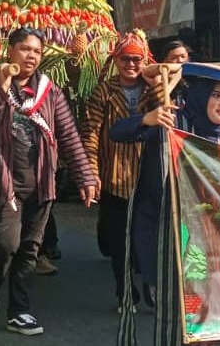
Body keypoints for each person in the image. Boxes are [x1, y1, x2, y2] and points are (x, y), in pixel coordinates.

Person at [0, 27, 97, 336]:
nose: (31, 56)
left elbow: (69, 135)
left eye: (37, 51)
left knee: (28, 249)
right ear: (9, 51)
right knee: (4, 245)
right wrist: (1, 88)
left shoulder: (50, 92)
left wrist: (85, 176)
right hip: (2, 183)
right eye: (25, 49)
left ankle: (19, 312)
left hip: (41, 183)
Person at [109, 68, 220, 344]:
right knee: (180, 320)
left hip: (211, 250)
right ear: (200, 96)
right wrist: (148, 119)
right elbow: (117, 133)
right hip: (168, 240)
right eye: (216, 95)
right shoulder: (172, 126)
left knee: (212, 322)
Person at [82, 30, 153, 311]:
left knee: (145, 236)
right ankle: (124, 291)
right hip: (114, 175)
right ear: (116, 60)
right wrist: (91, 172)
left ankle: (150, 283)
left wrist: (157, 81)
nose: (131, 65)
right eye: (125, 59)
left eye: (137, 59)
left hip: (149, 175)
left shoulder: (153, 89)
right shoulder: (104, 91)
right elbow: (90, 133)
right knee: (119, 240)